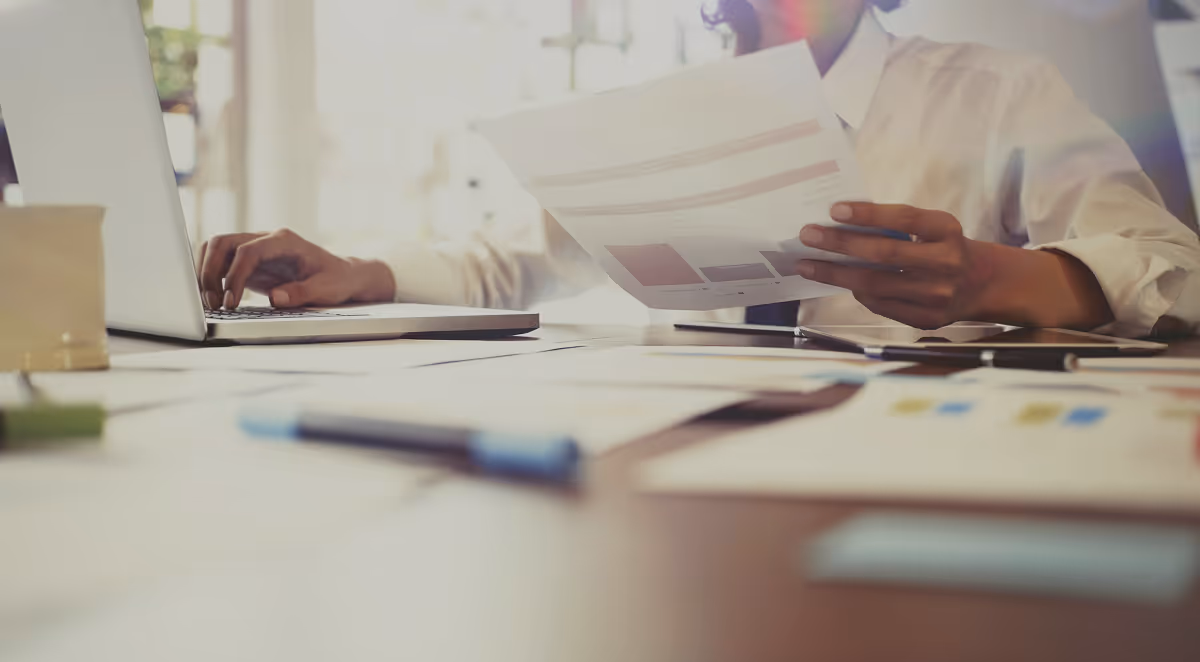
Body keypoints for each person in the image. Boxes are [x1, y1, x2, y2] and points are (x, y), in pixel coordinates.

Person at [196, 0, 1200, 337]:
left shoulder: (1000, 94)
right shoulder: (673, 110)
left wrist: (998, 278)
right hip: (700, 473)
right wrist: (363, 272)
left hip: (928, 475)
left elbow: (1172, 267)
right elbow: (513, 262)